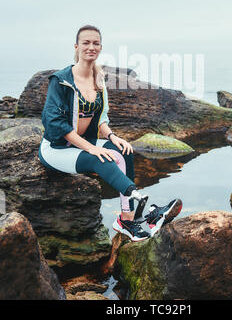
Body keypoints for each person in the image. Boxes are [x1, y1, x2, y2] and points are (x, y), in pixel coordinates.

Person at [38, 25, 182, 242]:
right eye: (86, 42)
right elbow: (56, 123)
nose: (91, 47)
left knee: (124, 151)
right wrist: (92, 148)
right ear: (77, 47)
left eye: (95, 43)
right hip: (57, 148)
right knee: (103, 159)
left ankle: (126, 220)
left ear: (100, 47)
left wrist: (113, 137)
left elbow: (101, 119)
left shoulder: (99, 79)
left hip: (83, 141)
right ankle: (139, 198)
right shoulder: (60, 81)